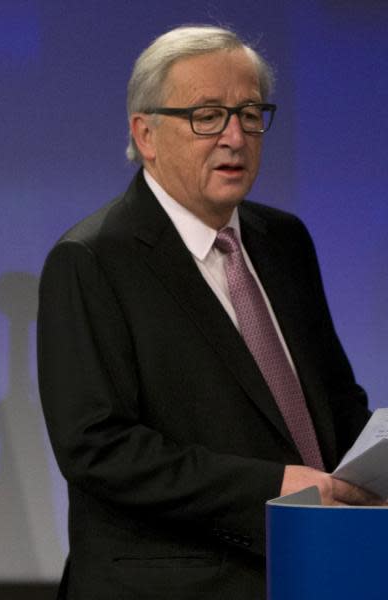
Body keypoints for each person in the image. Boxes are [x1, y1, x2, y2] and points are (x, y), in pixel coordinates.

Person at [37, 25, 381, 599]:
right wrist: (274, 488)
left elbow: (334, 402)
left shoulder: (285, 240)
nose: (235, 137)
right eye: (207, 115)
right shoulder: (92, 260)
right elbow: (98, 449)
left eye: (250, 113)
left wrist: (372, 467)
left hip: (315, 571)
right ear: (145, 134)